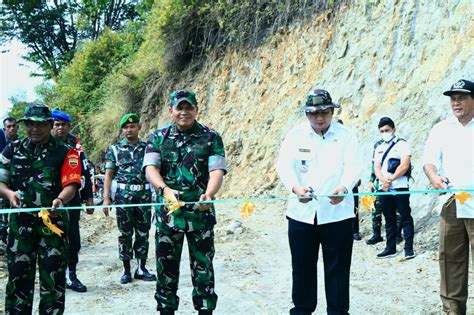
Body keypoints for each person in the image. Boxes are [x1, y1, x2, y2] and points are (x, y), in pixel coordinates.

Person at [276, 88, 362, 314]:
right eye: (314, 113)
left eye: (325, 112)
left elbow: (354, 167)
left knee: (338, 270)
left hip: (338, 214)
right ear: (306, 115)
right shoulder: (295, 136)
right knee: (302, 269)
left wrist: (343, 187)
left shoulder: (346, 136)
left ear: (332, 111)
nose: (320, 117)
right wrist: (296, 188)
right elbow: (284, 166)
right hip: (301, 215)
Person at [144, 89, 227, 315]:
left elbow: (216, 170)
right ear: (171, 110)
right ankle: (166, 310)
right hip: (168, 215)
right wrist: (164, 189)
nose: (184, 112)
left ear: (196, 109)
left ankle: (205, 309)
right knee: (166, 271)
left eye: (188, 107)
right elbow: (150, 168)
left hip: (201, 213)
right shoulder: (157, 137)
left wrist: (209, 194)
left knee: (204, 270)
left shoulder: (211, 137)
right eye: (179, 107)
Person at [0, 103, 82, 314]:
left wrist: (61, 200)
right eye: (29, 124)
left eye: (39, 125)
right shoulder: (12, 149)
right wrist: (9, 194)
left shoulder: (66, 152)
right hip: (20, 227)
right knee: (18, 278)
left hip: (52, 226)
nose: (34, 129)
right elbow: (1, 181)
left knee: (53, 279)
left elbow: (71, 184)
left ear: (49, 125)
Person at [423, 79, 474, 314]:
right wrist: (434, 177)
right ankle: (453, 310)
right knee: (450, 259)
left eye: (461, 97)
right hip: (451, 202)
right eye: (453, 98)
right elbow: (429, 162)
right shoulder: (441, 129)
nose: (456, 102)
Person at [103, 113, 156, 284]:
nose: (129, 130)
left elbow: (155, 170)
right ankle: (126, 269)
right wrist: (106, 198)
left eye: (132, 126)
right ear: (122, 130)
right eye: (125, 127)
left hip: (143, 195)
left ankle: (141, 268)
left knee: (143, 232)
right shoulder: (115, 149)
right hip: (123, 197)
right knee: (125, 234)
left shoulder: (148, 147)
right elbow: (108, 175)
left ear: (139, 127)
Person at [51, 109, 94, 292]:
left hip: (72, 200)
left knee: (73, 239)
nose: (60, 128)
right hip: (49, 199)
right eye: (56, 125)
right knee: (51, 239)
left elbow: (85, 171)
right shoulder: (44, 143)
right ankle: (53, 277)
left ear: (69, 127)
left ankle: (71, 275)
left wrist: (89, 197)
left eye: (63, 125)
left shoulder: (74, 145)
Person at [373, 117, 415, 259]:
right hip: (384, 188)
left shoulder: (402, 144)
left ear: (393, 130)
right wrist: (382, 180)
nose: (385, 133)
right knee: (389, 218)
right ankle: (390, 248)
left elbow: (405, 165)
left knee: (405, 216)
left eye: (387, 130)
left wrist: (391, 178)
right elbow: (377, 167)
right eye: (382, 131)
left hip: (400, 186)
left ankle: (409, 248)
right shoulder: (379, 147)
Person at [366, 139, 403, 245]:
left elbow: (403, 167)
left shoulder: (398, 149)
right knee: (375, 208)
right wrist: (371, 181)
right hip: (379, 186)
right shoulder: (377, 151)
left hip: (394, 184)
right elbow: (374, 169)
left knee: (396, 210)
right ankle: (377, 234)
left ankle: (397, 235)